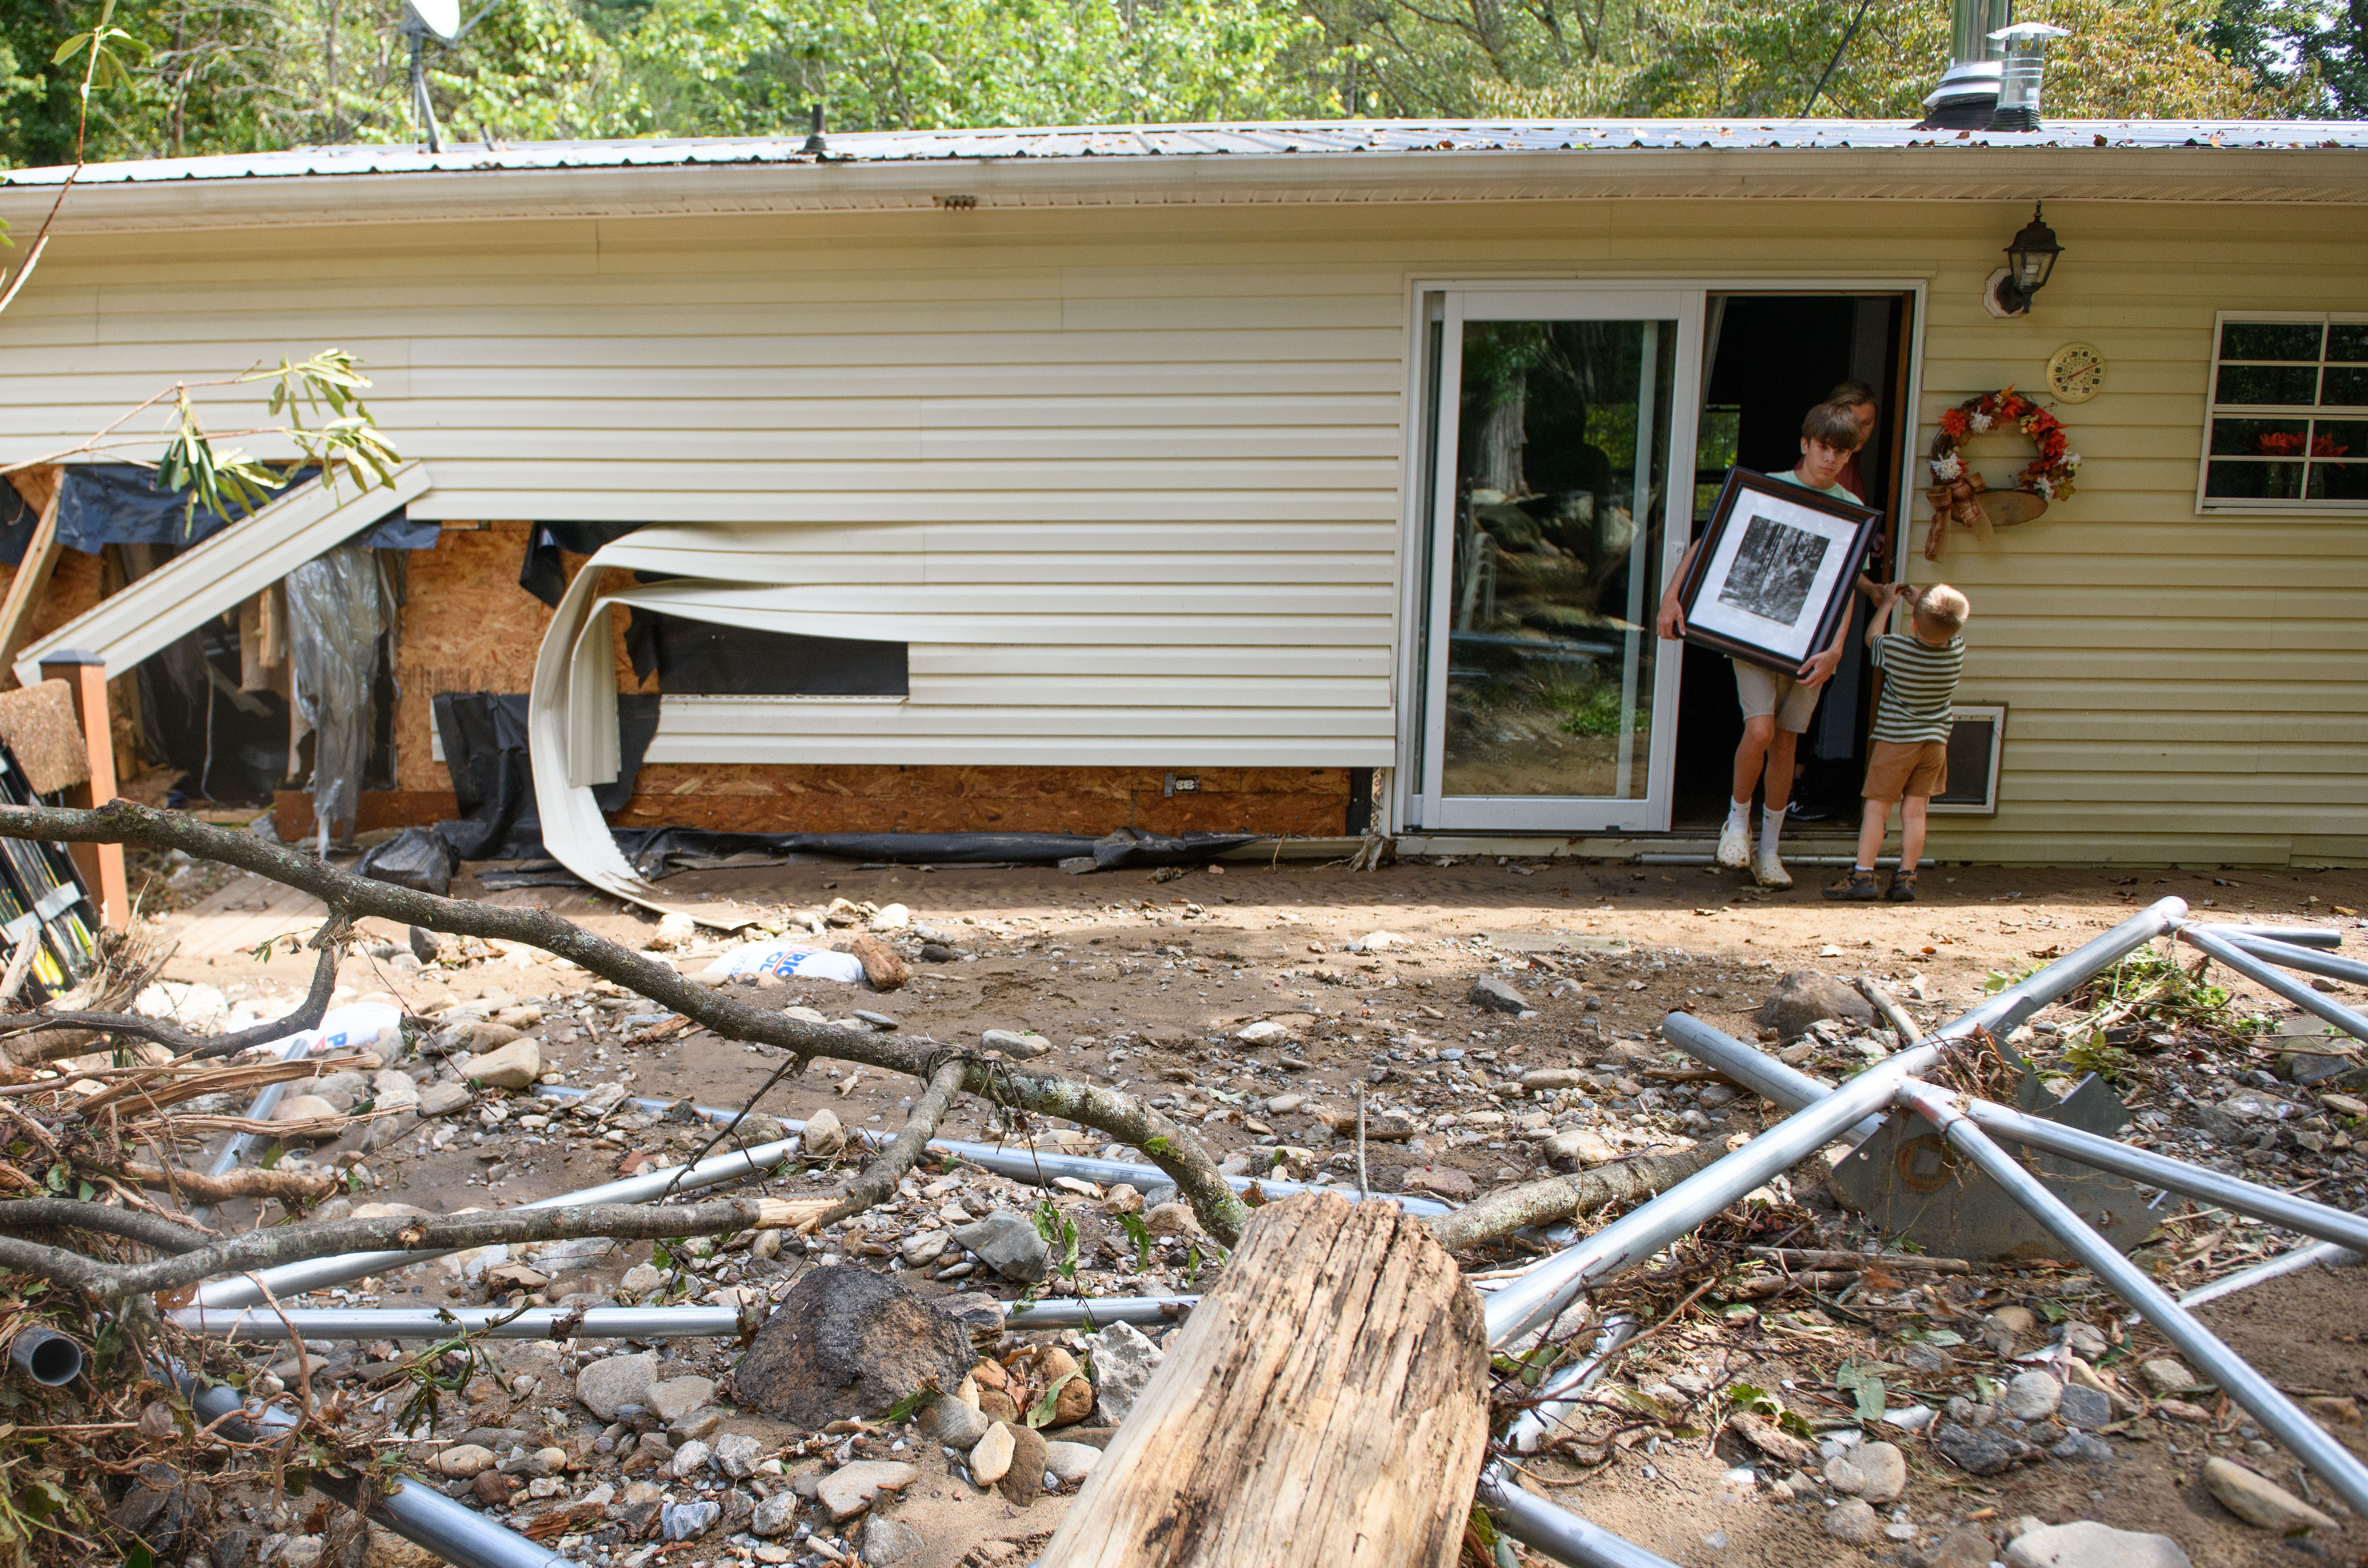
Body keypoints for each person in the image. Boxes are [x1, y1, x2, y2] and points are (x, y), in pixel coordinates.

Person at [1657, 399, 1868, 889]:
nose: (1830, 460)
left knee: (1787, 744)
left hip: (1810, 648)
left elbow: (1844, 591)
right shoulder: (1766, 489)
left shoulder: (1852, 512)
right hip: (1753, 637)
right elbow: (1706, 545)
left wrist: (1836, 649)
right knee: (1760, 731)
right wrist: (1672, 598)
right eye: (1823, 448)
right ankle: (1736, 824)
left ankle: (1770, 850)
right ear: (1805, 444)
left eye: (1842, 452)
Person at [1823, 581, 1971, 903]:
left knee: (1877, 809)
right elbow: (1943, 626)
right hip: (1933, 743)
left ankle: (1862, 876)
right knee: (1916, 811)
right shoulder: (1956, 651)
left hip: (1896, 741)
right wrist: (1922, 603)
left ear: (1915, 622)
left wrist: (1888, 605)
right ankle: (1906, 879)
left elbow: (1872, 639)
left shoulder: (1897, 650)